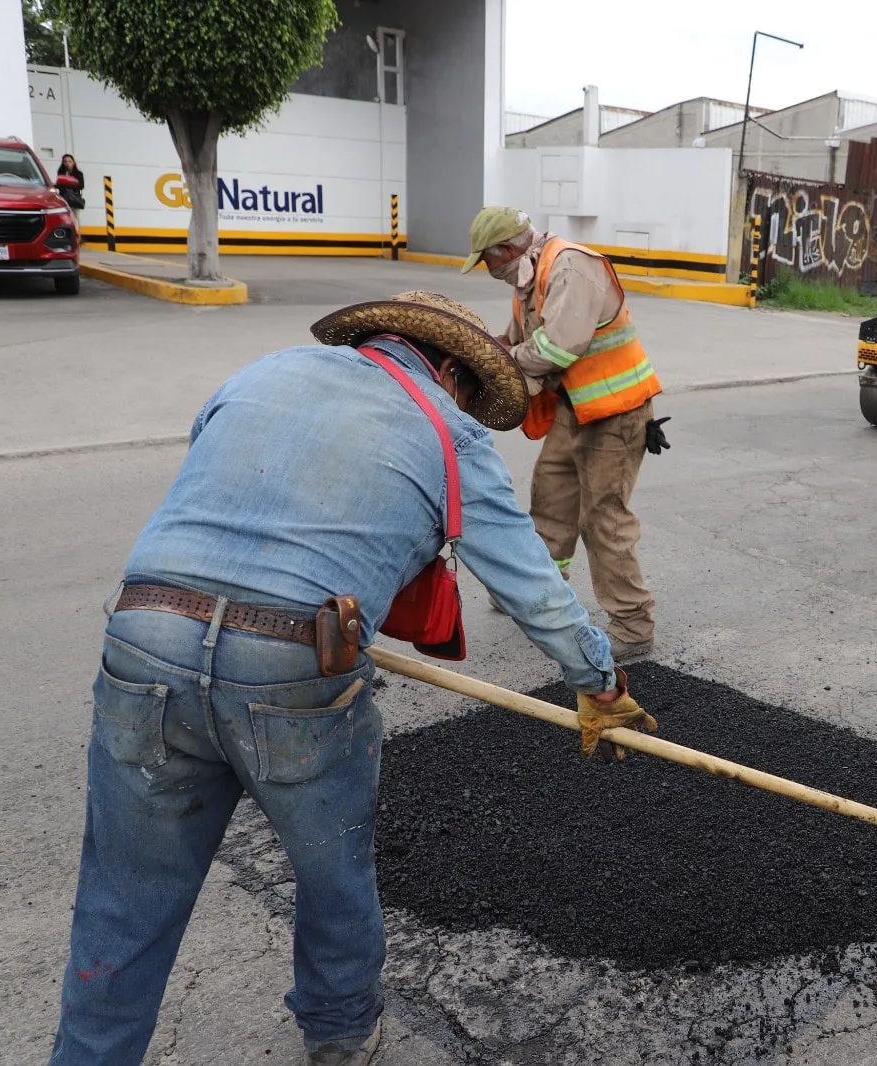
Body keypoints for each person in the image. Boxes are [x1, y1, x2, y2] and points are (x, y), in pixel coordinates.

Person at [47, 291, 656, 1066]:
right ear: (448, 371)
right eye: (466, 390)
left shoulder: (262, 372)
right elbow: (531, 588)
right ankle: (338, 1037)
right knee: (333, 870)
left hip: (144, 634)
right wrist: (600, 683)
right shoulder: (449, 433)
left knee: (123, 903)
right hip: (292, 666)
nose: (464, 403)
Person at [462, 207, 666, 662]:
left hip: (616, 414)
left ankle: (633, 625)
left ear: (510, 250)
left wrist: (503, 361)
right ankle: (540, 594)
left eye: (488, 261)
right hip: (575, 409)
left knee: (603, 519)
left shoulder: (571, 266)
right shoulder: (530, 278)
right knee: (551, 501)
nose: (489, 271)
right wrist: (477, 357)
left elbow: (557, 347)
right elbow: (514, 340)